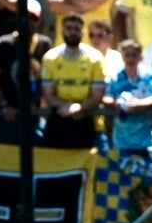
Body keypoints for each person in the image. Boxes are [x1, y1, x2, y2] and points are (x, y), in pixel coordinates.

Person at [0, 0, 51, 145]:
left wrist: (37, 104)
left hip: (33, 115)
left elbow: (45, 77)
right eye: (24, 17)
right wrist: (5, 106)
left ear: (39, 19)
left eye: (33, 18)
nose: (28, 21)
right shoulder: (5, 43)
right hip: (8, 116)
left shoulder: (44, 44)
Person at [40, 11, 106, 148]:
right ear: (62, 30)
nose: (73, 32)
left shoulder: (95, 58)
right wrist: (68, 107)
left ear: (83, 32)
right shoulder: (50, 58)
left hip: (87, 119)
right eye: (69, 28)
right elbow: (48, 94)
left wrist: (79, 108)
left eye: (77, 29)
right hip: (59, 118)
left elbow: (97, 95)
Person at [104, 37, 152, 154]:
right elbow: (106, 97)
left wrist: (138, 105)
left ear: (140, 56)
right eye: (127, 55)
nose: (131, 58)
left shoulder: (149, 74)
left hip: (147, 138)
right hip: (122, 140)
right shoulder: (115, 76)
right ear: (122, 56)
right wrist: (116, 103)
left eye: (134, 55)